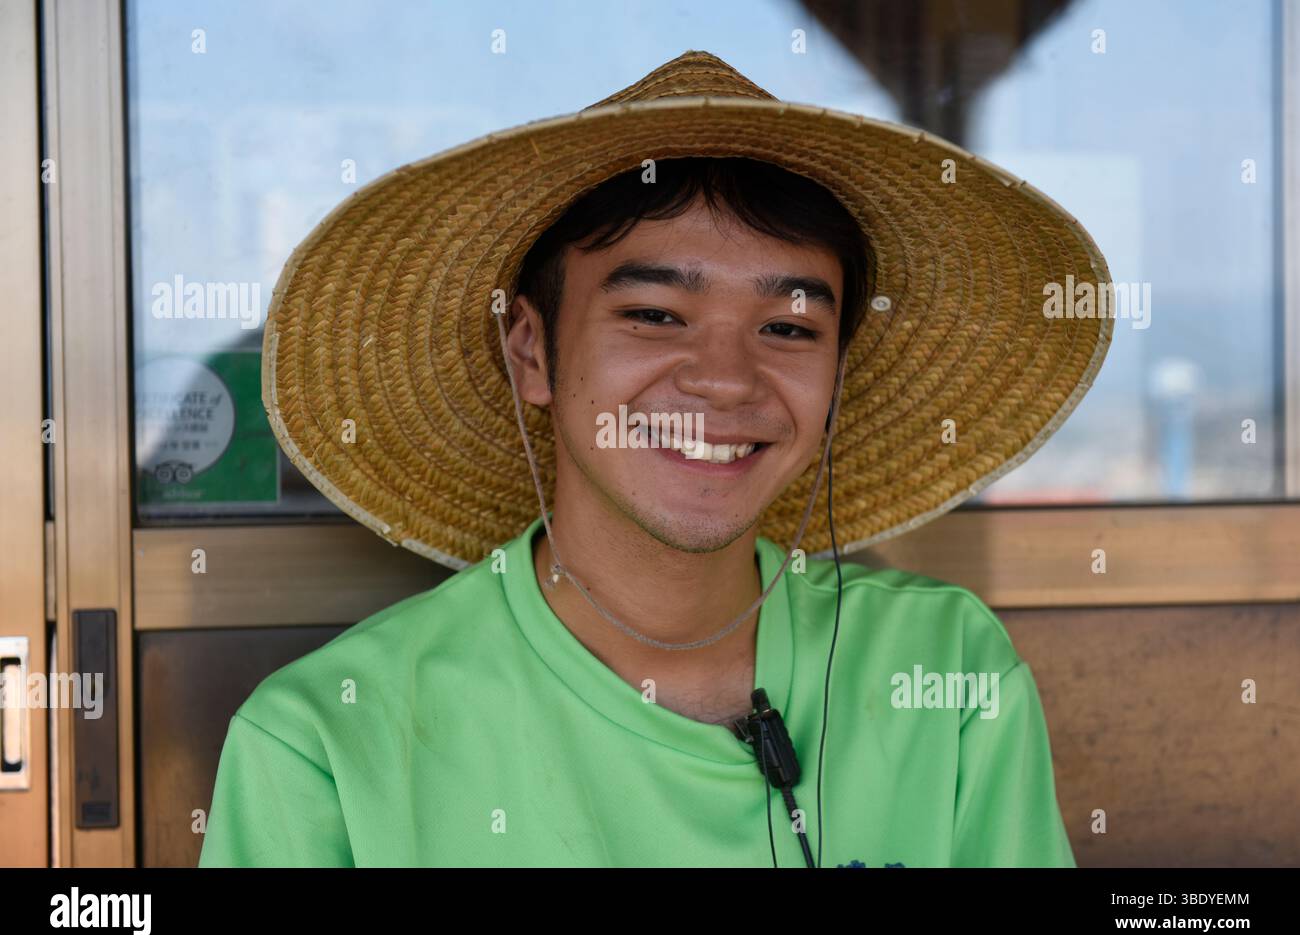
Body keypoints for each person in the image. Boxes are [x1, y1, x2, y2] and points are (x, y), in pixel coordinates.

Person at [199, 50, 1112, 867]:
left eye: (789, 326)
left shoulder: (944, 670)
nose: (725, 380)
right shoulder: (327, 741)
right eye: (654, 315)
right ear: (531, 351)